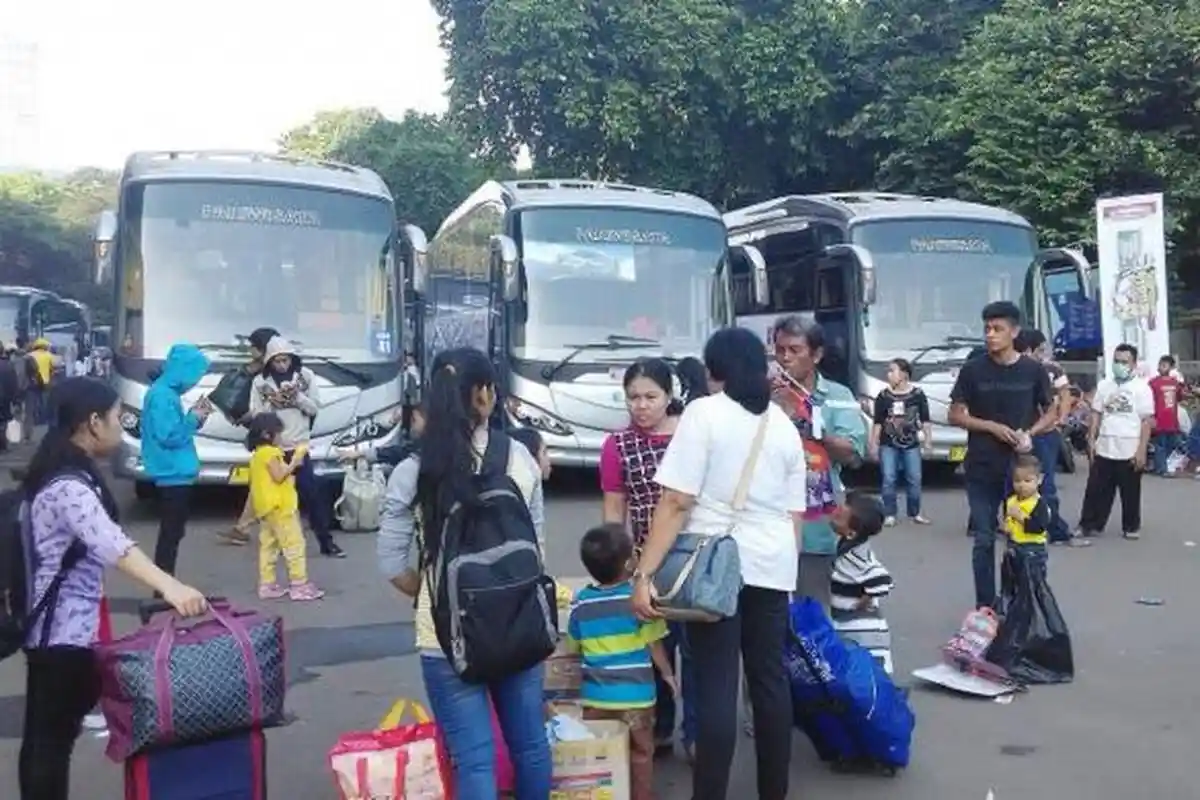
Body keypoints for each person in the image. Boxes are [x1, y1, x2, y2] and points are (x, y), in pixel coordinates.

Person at [632, 326, 807, 800]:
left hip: (714, 566)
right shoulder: (784, 426)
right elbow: (795, 513)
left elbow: (675, 502)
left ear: (716, 370)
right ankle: (774, 792)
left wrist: (645, 574)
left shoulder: (704, 414)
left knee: (716, 686)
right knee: (769, 681)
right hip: (773, 565)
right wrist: (783, 573)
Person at [19, 377, 207, 800]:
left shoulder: (62, 471)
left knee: (47, 742)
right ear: (92, 423)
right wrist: (172, 587)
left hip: (58, 633)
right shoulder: (68, 486)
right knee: (49, 746)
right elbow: (115, 546)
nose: (121, 426)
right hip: (60, 637)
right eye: (116, 417)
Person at [376, 347, 551, 797]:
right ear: (487, 394)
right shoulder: (521, 459)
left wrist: (435, 595)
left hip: (444, 636)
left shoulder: (413, 470)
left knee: (474, 762)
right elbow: (538, 549)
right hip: (520, 624)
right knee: (530, 747)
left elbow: (393, 564)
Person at [599, 357, 704, 758]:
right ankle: (659, 731)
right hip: (644, 566)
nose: (641, 406)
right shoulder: (617, 446)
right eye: (633, 398)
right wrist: (617, 568)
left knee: (695, 655)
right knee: (649, 652)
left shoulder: (692, 437)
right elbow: (614, 511)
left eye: (650, 397)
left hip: (692, 562)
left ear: (669, 395)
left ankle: (695, 734)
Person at [949, 301, 1055, 610]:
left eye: (998, 329)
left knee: (1022, 538)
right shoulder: (973, 370)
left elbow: (1052, 411)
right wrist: (990, 427)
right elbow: (955, 414)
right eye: (987, 329)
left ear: (1014, 332)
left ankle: (1021, 603)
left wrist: (1030, 433)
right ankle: (986, 607)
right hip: (981, 465)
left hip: (1020, 469)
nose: (990, 335)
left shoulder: (1033, 370)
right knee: (984, 539)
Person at [566, 523, 676, 800]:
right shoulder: (638, 601)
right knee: (641, 753)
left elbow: (573, 645)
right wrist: (669, 676)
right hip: (637, 698)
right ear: (630, 562)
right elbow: (654, 646)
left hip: (597, 698)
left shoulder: (581, 604)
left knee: (601, 755)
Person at [768, 315, 866, 610]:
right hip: (767, 523)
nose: (785, 358)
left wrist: (808, 425)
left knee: (811, 614)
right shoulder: (761, 395)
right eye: (780, 349)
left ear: (817, 354)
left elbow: (853, 453)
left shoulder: (838, 396)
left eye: (795, 350)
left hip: (816, 527)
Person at [250, 336, 344, 558]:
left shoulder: (306, 377)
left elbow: (314, 408)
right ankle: (281, 544)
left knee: (312, 496)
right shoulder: (259, 383)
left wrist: (297, 397)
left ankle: (326, 542)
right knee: (278, 502)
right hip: (273, 449)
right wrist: (271, 401)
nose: (282, 365)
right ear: (269, 362)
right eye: (277, 361)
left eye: (285, 360)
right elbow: (255, 414)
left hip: (299, 447)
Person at [140, 343, 213, 576]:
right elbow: (169, 435)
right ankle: (164, 588)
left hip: (173, 472)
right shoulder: (163, 395)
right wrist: (193, 418)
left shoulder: (164, 392)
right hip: (172, 473)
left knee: (172, 534)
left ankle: (165, 585)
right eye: (195, 375)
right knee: (170, 536)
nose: (194, 382)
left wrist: (194, 418)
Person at [1075, 344, 1154, 541]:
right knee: (1096, 488)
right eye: (1116, 361)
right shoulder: (1104, 385)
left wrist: (1141, 450)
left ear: (1134, 364)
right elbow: (1096, 413)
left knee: (1130, 491)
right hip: (1105, 445)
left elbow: (1146, 421)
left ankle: (1131, 526)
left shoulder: (1142, 389)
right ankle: (1089, 524)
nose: (1119, 365)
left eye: (1124, 362)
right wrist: (1091, 439)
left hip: (1130, 446)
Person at [246, 413, 324, 600]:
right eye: (278, 433)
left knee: (269, 547)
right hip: (281, 507)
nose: (281, 438)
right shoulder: (271, 453)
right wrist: (295, 462)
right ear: (267, 434)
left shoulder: (257, 455)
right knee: (294, 544)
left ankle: (268, 584)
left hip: (266, 508)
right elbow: (278, 476)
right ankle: (299, 584)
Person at [1014, 329, 1079, 546]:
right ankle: (1016, 526)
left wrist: (1061, 418)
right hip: (1017, 434)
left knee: (1046, 485)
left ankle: (1055, 530)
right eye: (1039, 349)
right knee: (1014, 482)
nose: (1043, 353)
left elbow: (1065, 394)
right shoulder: (1013, 369)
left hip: (1045, 435)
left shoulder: (1052, 368)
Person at [224, 326, 280, 545]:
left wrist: (246, 417)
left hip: (275, 435)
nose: (250, 352)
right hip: (270, 434)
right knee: (264, 481)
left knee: (277, 483)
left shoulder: (269, 374)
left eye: (253, 348)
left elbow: (263, 407)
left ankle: (284, 533)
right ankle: (243, 528)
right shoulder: (261, 370)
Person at [829, 493, 893, 674]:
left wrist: (866, 599)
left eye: (840, 516)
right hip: (849, 622)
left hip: (862, 628)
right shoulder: (849, 545)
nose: (834, 514)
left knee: (867, 674)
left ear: (851, 533)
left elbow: (882, 579)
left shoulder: (854, 556)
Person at [869, 358, 931, 526]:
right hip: (888, 444)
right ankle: (890, 513)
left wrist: (928, 440)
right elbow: (878, 422)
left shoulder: (917, 394)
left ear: (904, 374)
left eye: (892, 370)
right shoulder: (883, 396)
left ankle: (915, 512)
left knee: (914, 478)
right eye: (889, 371)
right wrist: (873, 443)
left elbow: (925, 419)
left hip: (911, 443)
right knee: (889, 478)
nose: (889, 374)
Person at [1003, 453, 1052, 575]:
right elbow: (1009, 519)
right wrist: (1007, 526)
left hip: (1033, 548)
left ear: (1039, 480)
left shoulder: (1039, 504)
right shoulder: (1011, 501)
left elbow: (1038, 527)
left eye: (1027, 481)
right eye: (1017, 481)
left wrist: (1020, 517)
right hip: (1014, 545)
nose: (1022, 485)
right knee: (1014, 577)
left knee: (1032, 580)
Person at [1148, 354, 1187, 476]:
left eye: (1164, 365)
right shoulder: (1153, 383)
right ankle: (1162, 469)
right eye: (1160, 365)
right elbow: (1148, 400)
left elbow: (1181, 397)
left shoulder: (1175, 383)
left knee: (1175, 444)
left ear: (1170, 368)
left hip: (1172, 420)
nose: (1161, 367)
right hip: (1159, 420)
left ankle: (1173, 465)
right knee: (1160, 445)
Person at [0, 347, 18, 451]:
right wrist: (15, 399)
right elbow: (13, 384)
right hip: (5, 398)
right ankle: (2, 444)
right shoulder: (8, 366)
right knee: (4, 421)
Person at [401, 351, 422, 436]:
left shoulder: (413, 370)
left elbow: (417, 382)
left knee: (409, 412)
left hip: (411, 396)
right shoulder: (405, 369)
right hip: (406, 396)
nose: (408, 359)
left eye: (409, 358)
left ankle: (408, 430)